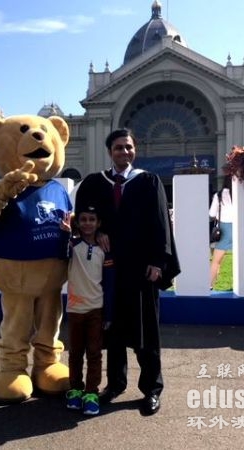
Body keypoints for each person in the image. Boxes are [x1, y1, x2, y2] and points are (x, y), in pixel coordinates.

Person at [74, 128, 180, 416]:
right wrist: (97, 232)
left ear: (135, 150)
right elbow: (83, 218)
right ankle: (115, 384)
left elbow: (161, 223)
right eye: (119, 147)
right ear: (110, 151)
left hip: (142, 269)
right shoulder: (95, 183)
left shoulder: (148, 181)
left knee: (147, 331)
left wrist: (158, 261)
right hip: (108, 270)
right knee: (114, 330)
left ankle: (152, 389)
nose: (124, 151)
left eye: (129, 147)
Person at [60, 206, 114, 416]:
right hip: (75, 309)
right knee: (75, 353)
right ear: (77, 222)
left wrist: (108, 314)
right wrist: (65, 234)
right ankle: (75, 389)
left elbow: (109, 284)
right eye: (83, 219)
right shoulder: (72, 245)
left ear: (98, 223)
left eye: (92, 219)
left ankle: (91, 393)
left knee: (94, 353)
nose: (88, 223)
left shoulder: (105, 249)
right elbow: (61, 254)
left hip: (96, 310)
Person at [209, 175, 233, 290]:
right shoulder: (241, 194)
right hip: (240, 228)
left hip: (224, 229)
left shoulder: (218, 195)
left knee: (216, 261)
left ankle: (210, 284)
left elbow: (212, 214)